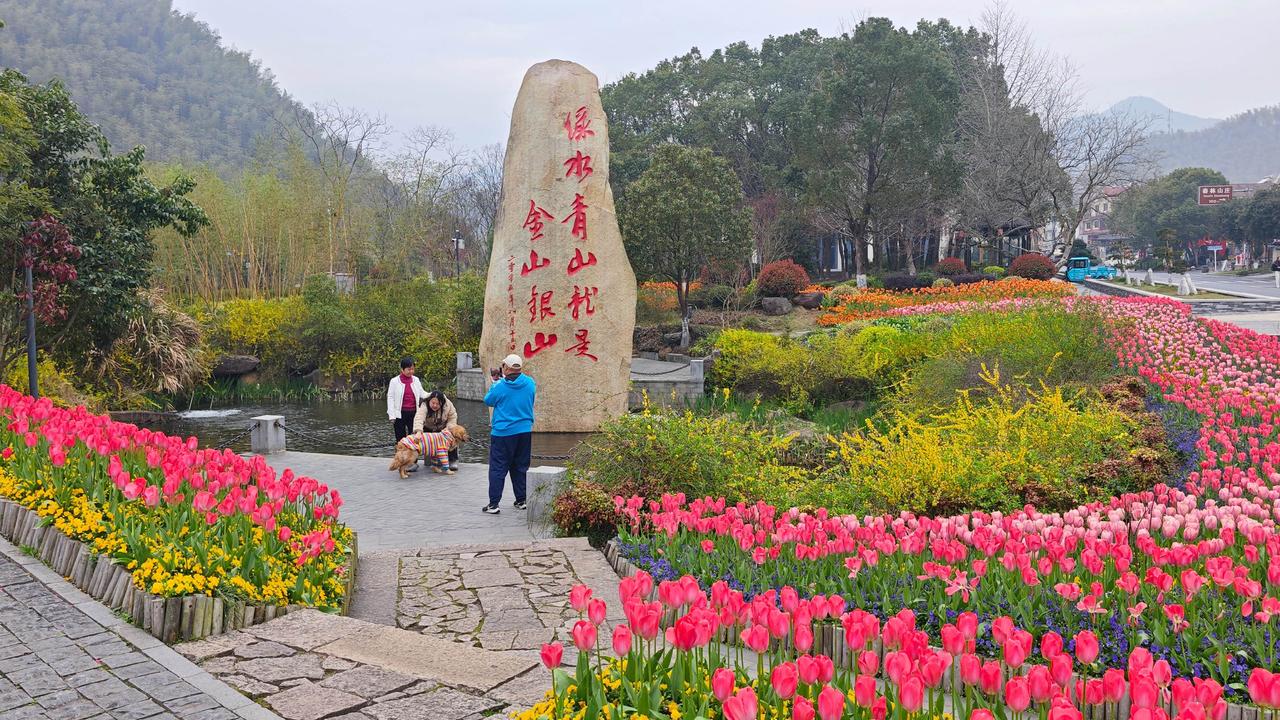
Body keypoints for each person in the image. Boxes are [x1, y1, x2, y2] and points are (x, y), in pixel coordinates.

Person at [481, 354, 536, 514]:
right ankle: (521, 500)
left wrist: (495, 384)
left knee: (498, 468)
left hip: (503, 433)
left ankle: (494, 504)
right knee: (520, 466)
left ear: (506, 367)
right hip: (524, 431)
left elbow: (488, 400)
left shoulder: (500, 386)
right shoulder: (530, 382)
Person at [386, 357, 425, 472]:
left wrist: (434, 395)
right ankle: (400, 462)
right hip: (399, 414)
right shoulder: (394, 381)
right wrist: (391, 415)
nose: (411, 371)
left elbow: (422, 393)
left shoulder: (416, 380)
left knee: (415, 439)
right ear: (402, 369)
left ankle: (413, 462)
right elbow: (390, 397)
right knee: (401, 439)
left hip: (413, 413)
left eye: (412, 369)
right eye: (408, 369)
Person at [413, 389, 459, 472]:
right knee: (415, 439)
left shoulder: (448, 405)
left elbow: (453, 418)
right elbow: (419, 417)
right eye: (433, 403)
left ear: (442, 403)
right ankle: (412, 462)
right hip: (428, 428)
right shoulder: (424, 404)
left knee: (452, 437)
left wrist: (448, 428)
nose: (434, 405)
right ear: (429, 401)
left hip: (442, 428)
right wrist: (418, 431)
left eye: (437, 404)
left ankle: (452, 460)